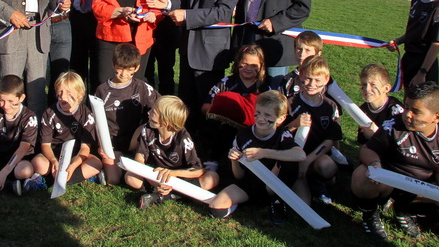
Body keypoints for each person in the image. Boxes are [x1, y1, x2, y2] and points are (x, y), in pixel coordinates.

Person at [146, 0, 241, 118]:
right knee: (186, 103)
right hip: (188, 49)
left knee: (205, 106)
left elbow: (222, 12)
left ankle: (205, 145)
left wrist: (187, 16)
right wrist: (168, 3)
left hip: (209, 55)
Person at [351, 82, 439, 241]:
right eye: (407, 107)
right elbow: (367, 150)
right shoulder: (394, 125)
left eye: (416, 111)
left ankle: (404, 209)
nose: (407, 114)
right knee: (361, 175)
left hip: (419, 188)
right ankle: (369, 214)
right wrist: (375, 164)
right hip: (388, 183)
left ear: (437, 117)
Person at [208, 91, 305, 225]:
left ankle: (276, 201)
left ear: (281, 119)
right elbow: (238, 176)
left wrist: (264, 152)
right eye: (258, 113)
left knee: (288, 162)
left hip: (272, 185)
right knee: (216, 207)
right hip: (249, 183)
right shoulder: (243, 135)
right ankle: (247, 202)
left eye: (267, 115)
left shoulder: (282, 134)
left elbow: (300, 155)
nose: (260, 118)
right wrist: (234, 161)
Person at [125, 95, 219, 209]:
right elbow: (139, 158)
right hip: (157, 175)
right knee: (130, 177)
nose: (148, 113)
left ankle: (161, 196)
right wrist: (154, 180)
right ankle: (180, 194)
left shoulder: (183, 138)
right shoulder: (147, 130)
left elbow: (198, 171)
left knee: (212, 178)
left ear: (166, 121)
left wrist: (173, 173)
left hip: (180, 177)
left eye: (153, 112)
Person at [94, 43, 159, 184]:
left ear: (136, 68)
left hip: (136, 140)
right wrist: (102, 144)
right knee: (113, 179)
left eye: (128, 70)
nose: (123, 74)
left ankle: (136, 161)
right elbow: (95, 121)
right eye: (119, 68)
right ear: (113, 64)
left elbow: (160, 105)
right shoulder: (102, 90)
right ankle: (111, 167)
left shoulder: (141, 87)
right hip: (112, 142)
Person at [285, 55, 342, 205]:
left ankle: (317, 182)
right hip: (293, 156)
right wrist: (295, 124)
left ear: (326, 79)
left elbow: (330, 140)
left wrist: (307, 161)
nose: (311, 84)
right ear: (302, 75)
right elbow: (280, 132)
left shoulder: (331, 106)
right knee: (304, 203)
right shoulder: (291, 103)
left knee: (327, 167)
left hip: (316, 156)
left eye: (317, 80)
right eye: (308, 78)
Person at [32, 71, 103, 187]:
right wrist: (54, 161)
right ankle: (71, 177)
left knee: (96, 163)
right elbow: (45, 145)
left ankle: (59, 179)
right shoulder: (49, 113)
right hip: (54, 154)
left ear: (80, 95)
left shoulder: (86, 114)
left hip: (75, 155)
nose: (63, 96)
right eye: (60, 92)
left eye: (68, 93)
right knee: (38, 162)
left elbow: (85, 148)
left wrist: (73, 165)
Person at [0, 74, 39, 196]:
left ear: (21, 98)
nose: (5, 106)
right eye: (1, 100)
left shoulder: (29, 117)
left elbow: (23, 148)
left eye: (11, 101)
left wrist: (5, 171)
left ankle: (4, 180)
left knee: (24, 171)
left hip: (20, 159)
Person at [357, 64, 404, 144]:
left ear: (386, 88)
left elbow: (400, 145)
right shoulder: (363, 110)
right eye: (364, 84)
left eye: (373, 85)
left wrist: (374, 137)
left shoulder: (396, 111)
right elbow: (363, 144)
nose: (367, 89)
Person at [279, 30, 323, 98]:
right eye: (299, 49)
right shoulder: (288, 80)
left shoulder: (324, 79)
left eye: (307, 50)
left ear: (318, 54)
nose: (302, 54)